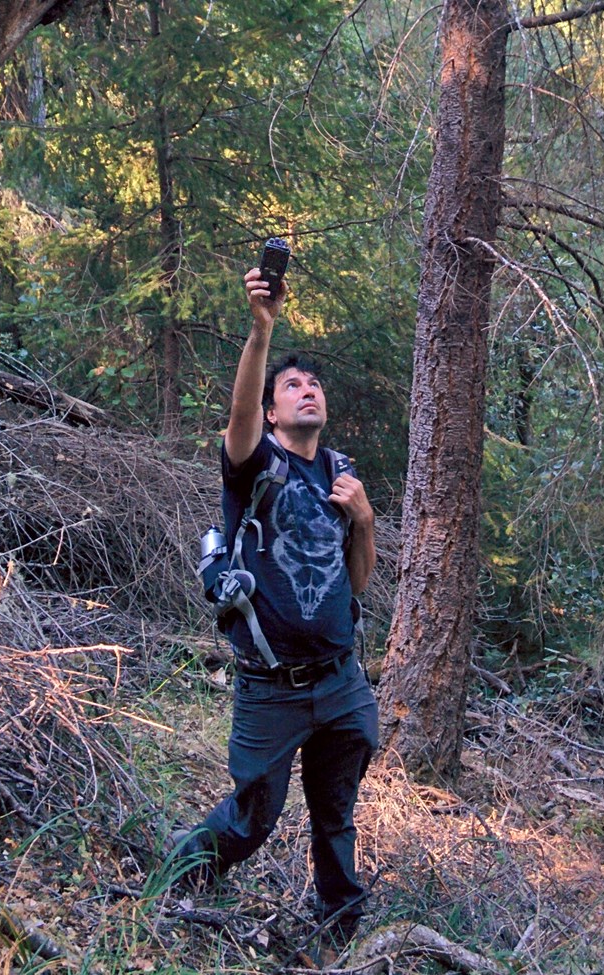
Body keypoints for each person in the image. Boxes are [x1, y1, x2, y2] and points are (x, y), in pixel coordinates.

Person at [170, 262, 380, 951]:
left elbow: (359, 584)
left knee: (336, 816)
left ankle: (340, 935)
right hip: (271, 688)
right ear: (270, 411)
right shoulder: (254, 461)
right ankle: (172, 878)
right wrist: (262, 330)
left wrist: (367, 522)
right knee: (254, 817)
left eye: (313, 382)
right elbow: (236, 416)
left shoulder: (340, 475)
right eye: (292, 385)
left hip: (341, 680)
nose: (307, 388)